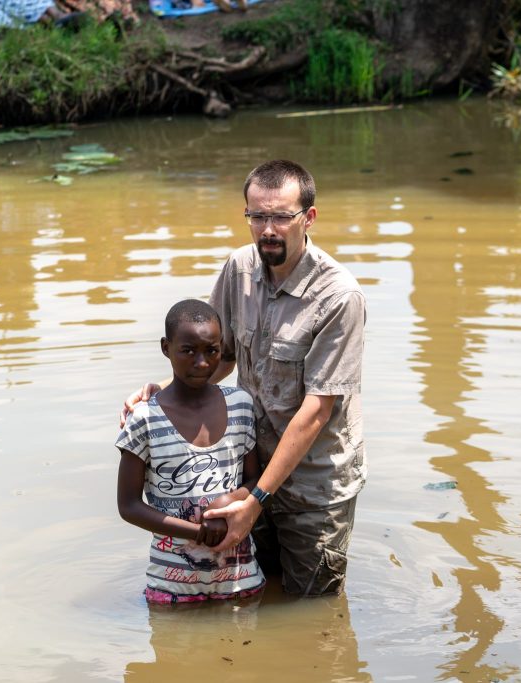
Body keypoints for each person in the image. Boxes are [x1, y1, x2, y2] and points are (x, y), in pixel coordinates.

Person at [121, 160, 366, 597]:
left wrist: (256, 503)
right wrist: (166, 392)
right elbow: (220, 356)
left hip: (313, 484)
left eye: (280, 217)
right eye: (257, 216)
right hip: (248, 470)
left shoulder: (338, 296)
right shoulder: (239, 269)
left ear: (308, 218)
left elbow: (316, 411)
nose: (267, 230)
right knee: (261, 592)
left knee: (312, 607)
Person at [116, 298, 265, 604]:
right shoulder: (144, 418)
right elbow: (128, 505)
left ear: (222, 348)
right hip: (172, 587)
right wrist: (196, 533)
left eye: (211, 351)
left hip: (241, 582)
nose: (201, 363)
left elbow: (256, 480)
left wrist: (232, 500)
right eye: (188, 351)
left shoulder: (240, 404)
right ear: (165, 348)